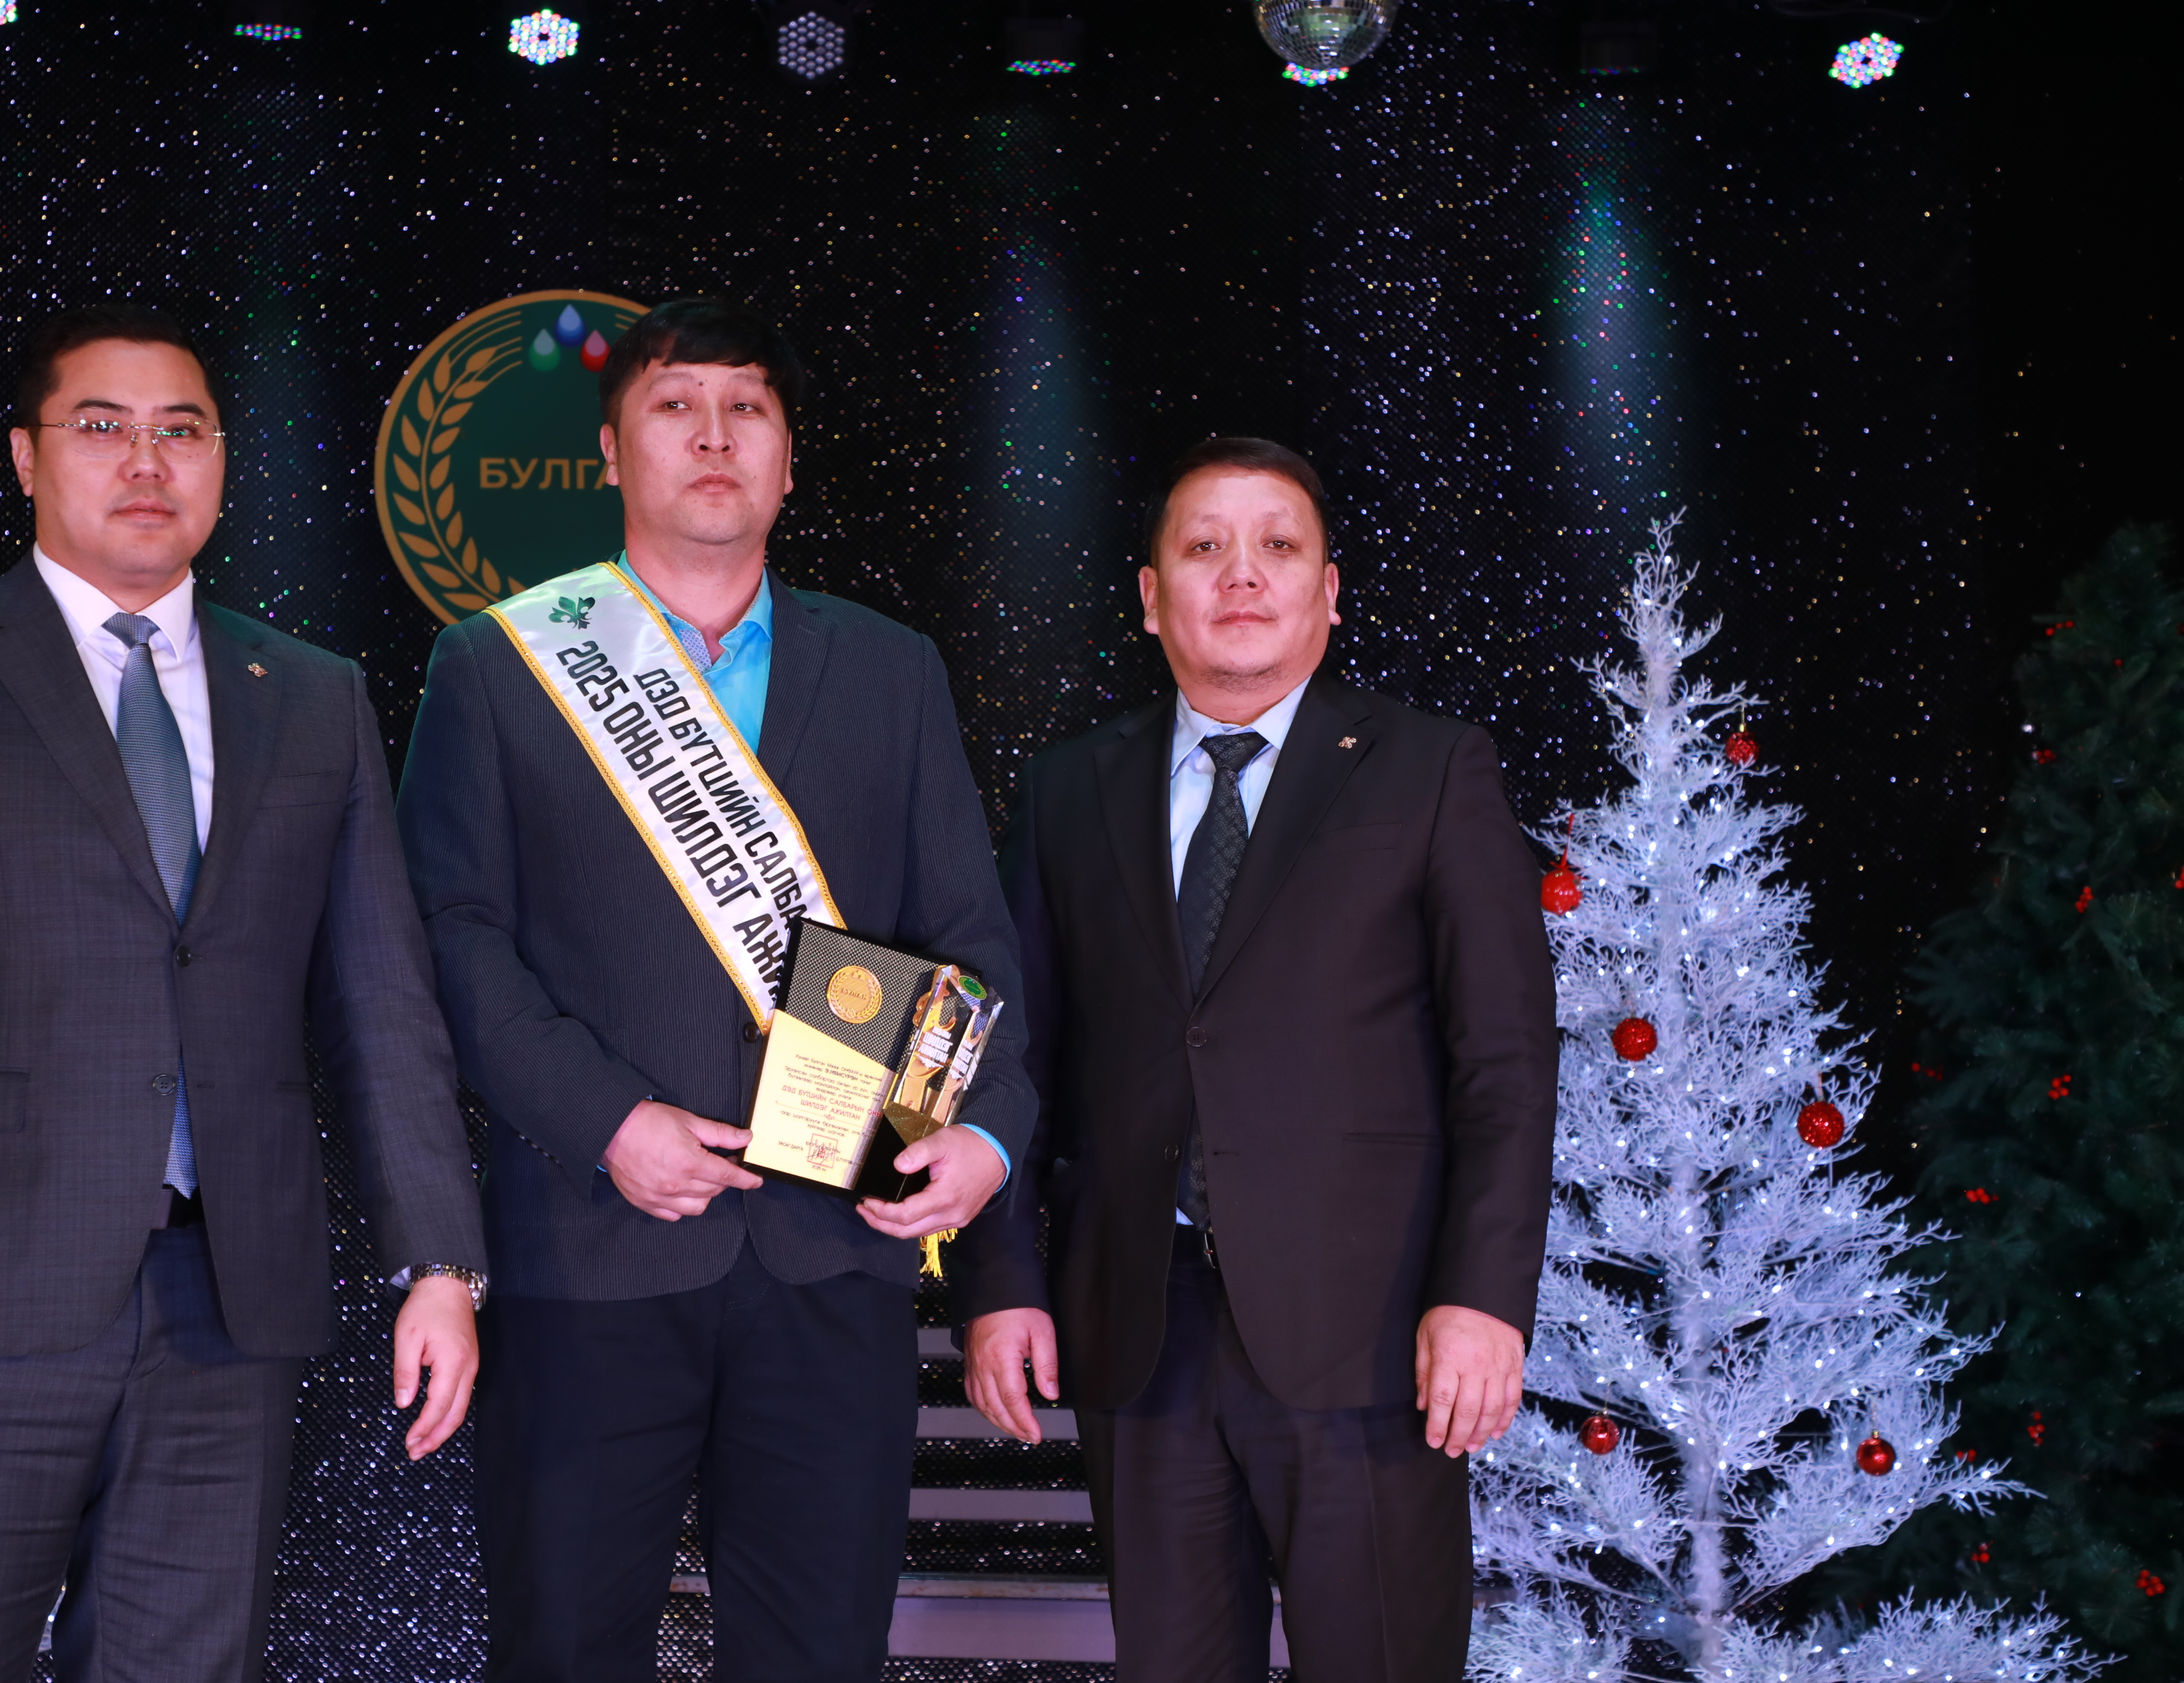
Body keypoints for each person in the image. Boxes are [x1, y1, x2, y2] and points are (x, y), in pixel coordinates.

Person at [0, 303, 488, 1681]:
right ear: (26, 458)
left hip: (229, 1305)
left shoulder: (314, 695)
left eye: (182, 431)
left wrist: (441, 1264)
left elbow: (383, 1008)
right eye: (102, 427)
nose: (146, 461)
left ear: (221, 463)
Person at [398, 295, 1035, 1682]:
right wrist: (607, 1121)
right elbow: (453, 940)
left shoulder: (891, 669)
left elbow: (964, 939)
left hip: (835, 1256)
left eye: (747, 408)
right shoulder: (500, 664)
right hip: (591, 1248)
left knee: (819, 1654)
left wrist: (980, 1132)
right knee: (564, 1652)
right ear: (611, 454)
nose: (714, 435)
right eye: (675, 407)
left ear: (789, 460)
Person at [949, 437, 1557, 1682]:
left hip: (1374, 1337)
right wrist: (998, 1280)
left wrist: (1485, 1296)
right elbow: (1012, 1059)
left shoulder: (1434, 769)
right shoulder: (1068, 789)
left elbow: (1503, 1062)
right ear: (1150, 594)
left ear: (1327, 592)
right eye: (1204, 547)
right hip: (1139, 1333)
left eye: (1277, 547)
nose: (1241, 574)